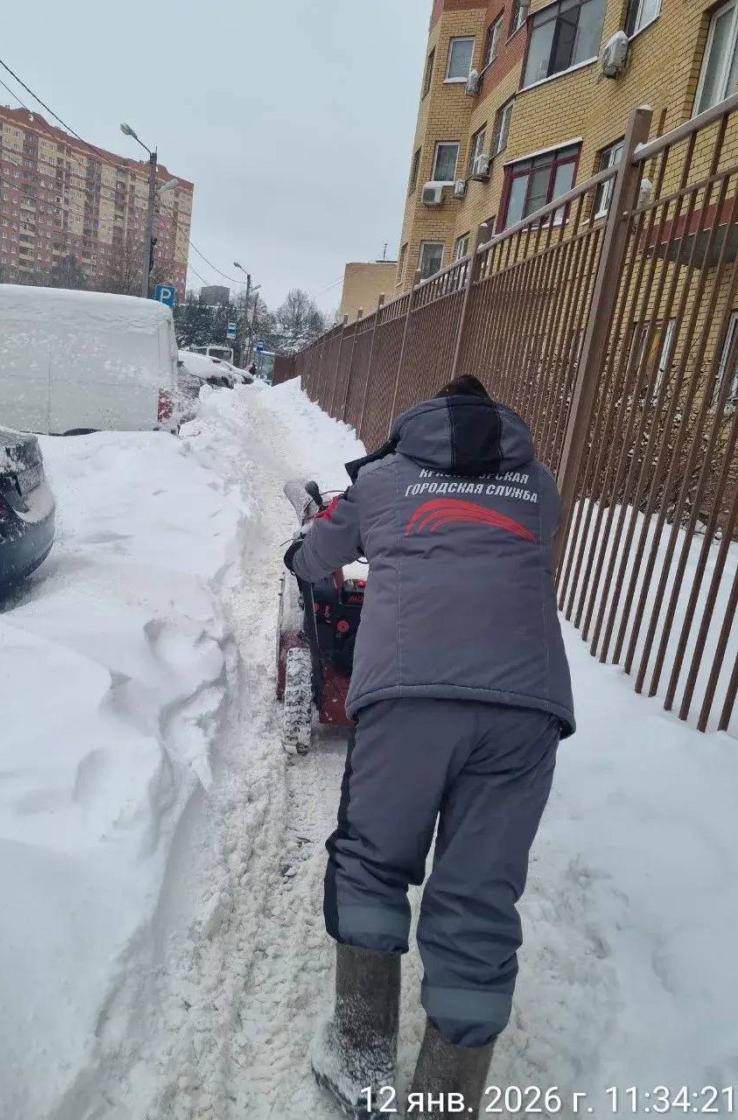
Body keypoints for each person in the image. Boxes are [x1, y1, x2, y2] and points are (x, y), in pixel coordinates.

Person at [284, 375, 575, 1119]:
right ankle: (446, 1099)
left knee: (373, 862)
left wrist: (304, 548)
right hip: (525, 712)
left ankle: (360, 1053)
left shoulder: (382, 480)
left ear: (417, 426)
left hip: (410, 701)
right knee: (479, 896)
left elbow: (317, 559)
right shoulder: (539, 486)